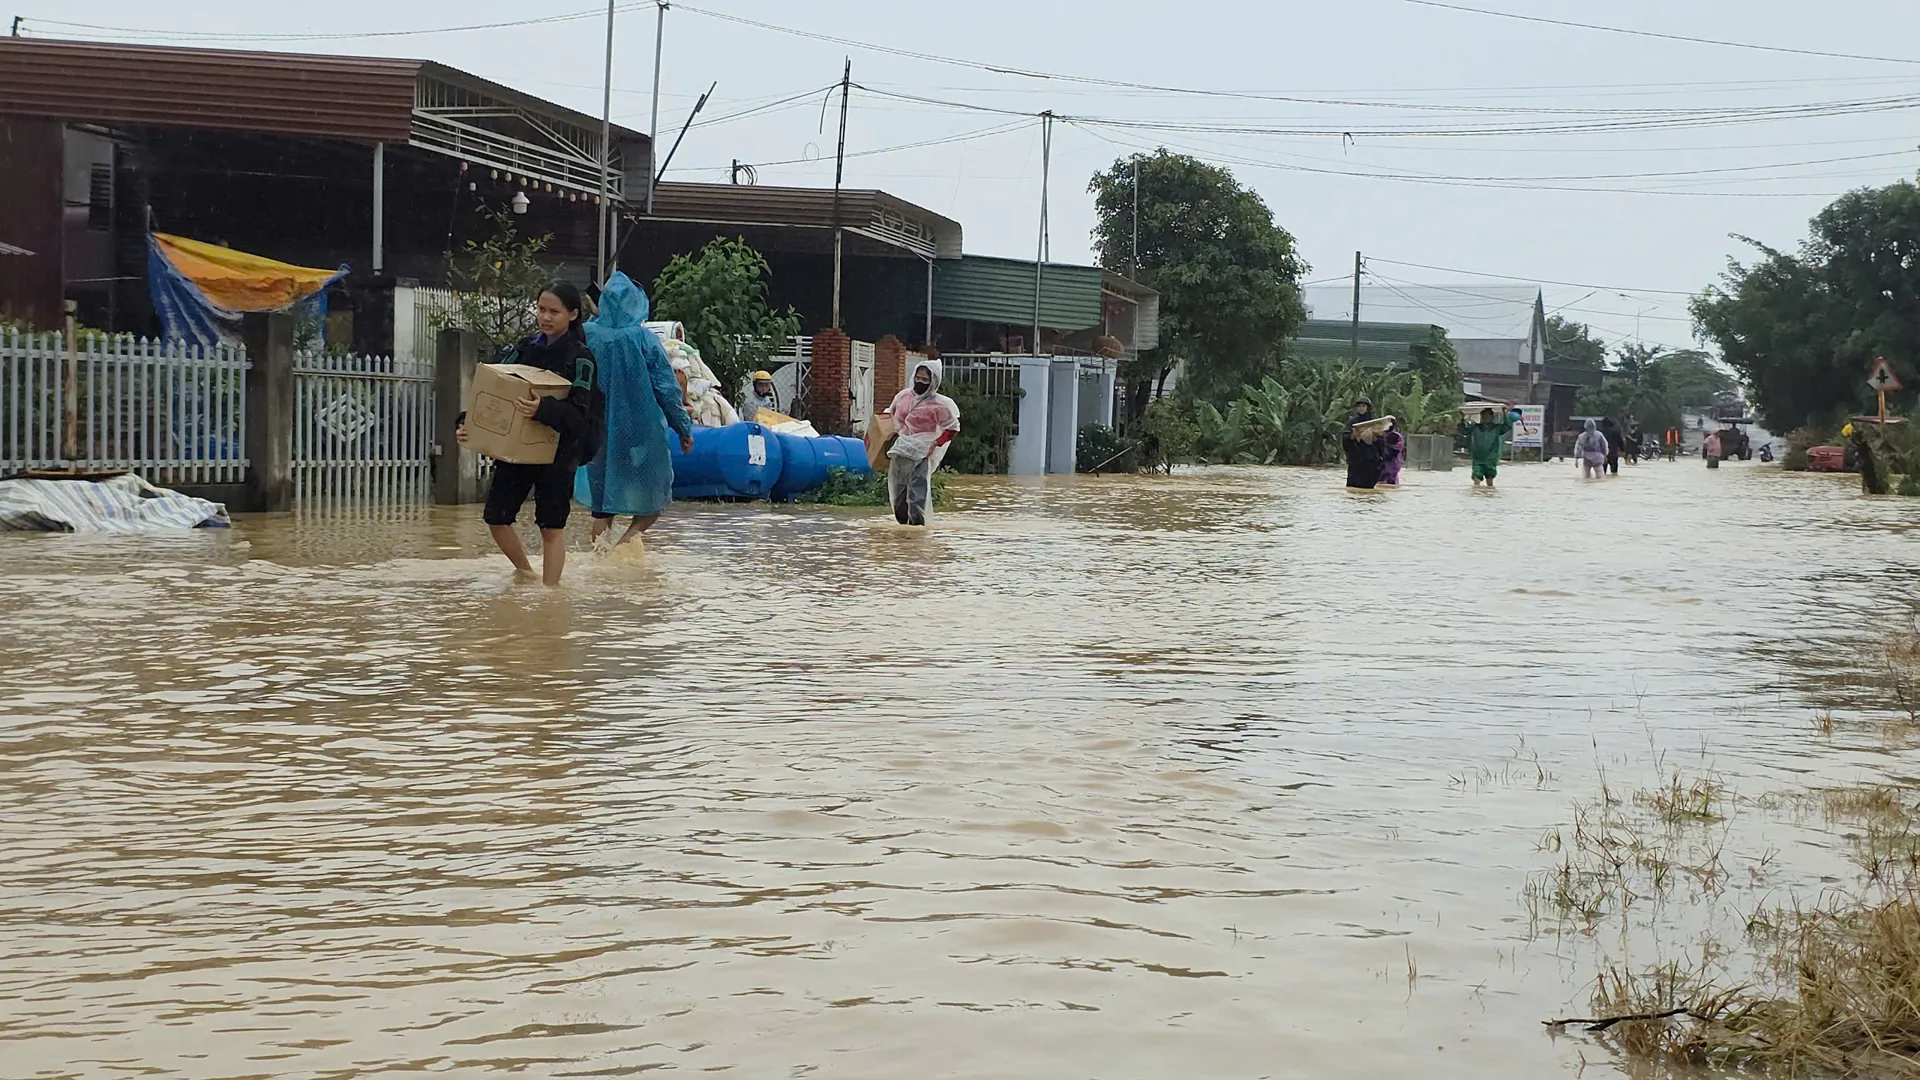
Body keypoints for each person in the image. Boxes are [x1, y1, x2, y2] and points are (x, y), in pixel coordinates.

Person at [456, 282, 602, 587]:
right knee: (496, 517)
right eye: (541, 309)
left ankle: (551, 597)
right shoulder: (523, 349)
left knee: (551, 527)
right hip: (516, 449)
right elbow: (494, 391)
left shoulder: (582, 358)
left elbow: (579, 414)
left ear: (573, 314)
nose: (545, 317)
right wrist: (468, 421)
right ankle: (525, 572)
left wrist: (542, 409)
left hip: (559, 453)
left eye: (554, 312)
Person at [573, 272, 695, 551]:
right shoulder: (644, 339)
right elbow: (667, 388)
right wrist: (683, 428)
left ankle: (600, 560)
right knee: (654, 498)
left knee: (602, 507)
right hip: (640, 431)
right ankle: (624, 548)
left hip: (596, 429)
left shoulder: (588, 334)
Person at [884, 360, 961, 526]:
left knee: (917, 491)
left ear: (933, 382)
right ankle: (903, 526)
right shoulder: (904, 396)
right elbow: (890, 414)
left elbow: (952, 428)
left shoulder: (940, 404)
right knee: (898, 491)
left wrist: (936, 443)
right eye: (918, 378)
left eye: (925, 380)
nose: (920, 382)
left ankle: (917, 528)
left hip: (924, 451)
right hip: (902, 447)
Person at [1461, 403, 1517, 489]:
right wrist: (1462, 418)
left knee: (1490, 481)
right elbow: (1463, 430)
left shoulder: (1496, 428)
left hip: (1491, 458)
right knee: (1476, 478)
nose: (1485, 418)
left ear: (1491, 417)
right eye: (1483, 416)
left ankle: (1489, 494)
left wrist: (1505, 413)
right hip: (1477, 458)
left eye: (1487, 416)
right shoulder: (1475, 427)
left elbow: (1507, 426)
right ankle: (1476, 494)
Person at [1342, 396, 1387, 490]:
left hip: (1370, 459)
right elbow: (1345, 439)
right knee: (1353, 487)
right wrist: (1353, 436)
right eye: (1359, 406)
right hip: (1356, 459)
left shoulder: (1374, 422)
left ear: (1367, 408)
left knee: (1368, 487)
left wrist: (1373, 439)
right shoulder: (1351, 422)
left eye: (1363, 406)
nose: (1361, 408)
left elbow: (1382, 442)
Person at [1378, 418, 1407, 487]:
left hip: (1392, 465)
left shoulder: (1397, 436)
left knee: (1391, 484)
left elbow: (1397, 448)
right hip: (1381, 466)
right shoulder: (1379, 435)